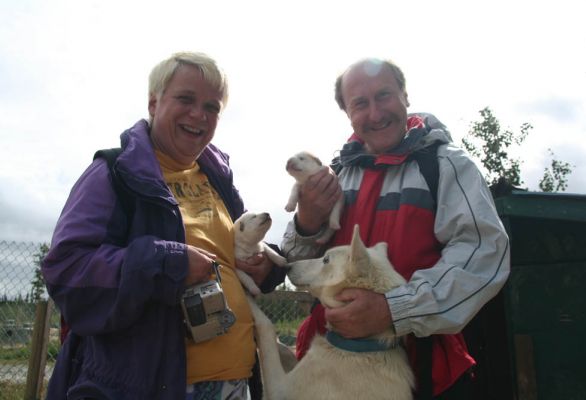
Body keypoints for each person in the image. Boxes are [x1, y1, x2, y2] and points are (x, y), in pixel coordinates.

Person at [42, 51, 284, 400]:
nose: (199, 114)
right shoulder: (114, 174)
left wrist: (261, 264)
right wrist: (167, 263)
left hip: (237, 384)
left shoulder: (218, 179)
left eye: (212, 107)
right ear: (154, 103)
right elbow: (66, 271)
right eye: (185, 99)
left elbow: (239, 252)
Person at [281, 58, 510, 399]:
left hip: (424, 374)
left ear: (405, 96)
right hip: (329, 369)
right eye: (360, 103)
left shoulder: (445, 165)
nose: (375, 114)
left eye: (384, 95)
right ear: (347, 113)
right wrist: (307, 222)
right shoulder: (335, 175)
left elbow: (483, 254)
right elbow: (298, 262)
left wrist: (393, 309)